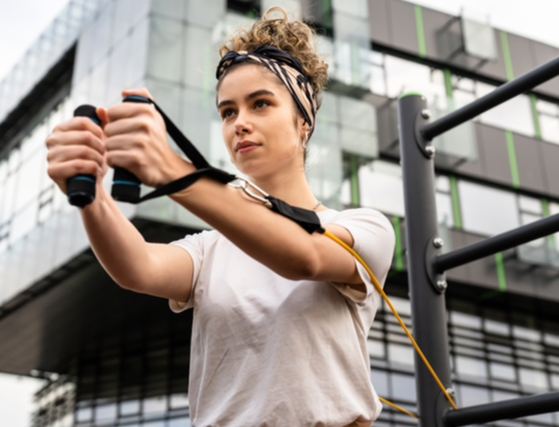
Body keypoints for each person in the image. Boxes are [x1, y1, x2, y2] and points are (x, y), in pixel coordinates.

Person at [45, 6, 395, 426]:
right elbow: (136, 267)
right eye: (228, 112)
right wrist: (89, 194)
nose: (240, 123)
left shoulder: (366, 227)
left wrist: (171, 170)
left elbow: (306, 256)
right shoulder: (212, 247)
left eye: (260, 104)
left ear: (304, 120)